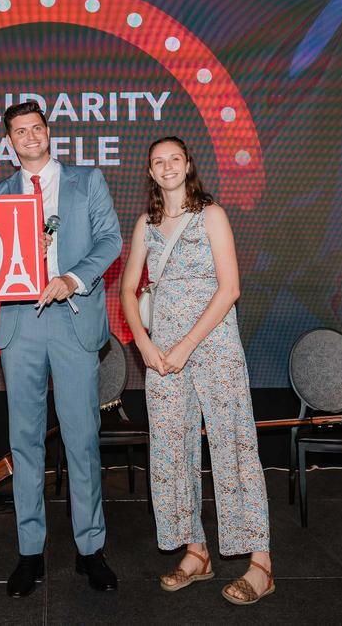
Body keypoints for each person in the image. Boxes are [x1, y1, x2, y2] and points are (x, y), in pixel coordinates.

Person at [119, 136, 274, 606]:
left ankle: (261, 564)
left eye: (174, 159)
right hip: (162, 357)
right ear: (150, 171)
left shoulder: (212, 215)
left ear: (188, 165)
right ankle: (196, 552)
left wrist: (187, 345)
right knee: (170, 450)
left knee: (234, 444)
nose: (167, 167)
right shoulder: (146, 224)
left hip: (214, 346)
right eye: (158, 161)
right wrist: (144, 344)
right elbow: (128, 290)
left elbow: (230, 289)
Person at [0, 101, 123, 597]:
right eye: (19, 131)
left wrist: (72, 278)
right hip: (20, 322)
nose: (29, 137)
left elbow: (110, 240)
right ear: (9, 142)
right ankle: (30, 553)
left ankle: (90, 550)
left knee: (81, 439)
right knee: (24, 442)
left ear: (48, 133)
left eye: (36, 128)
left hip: (72, 318)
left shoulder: (87, 181)